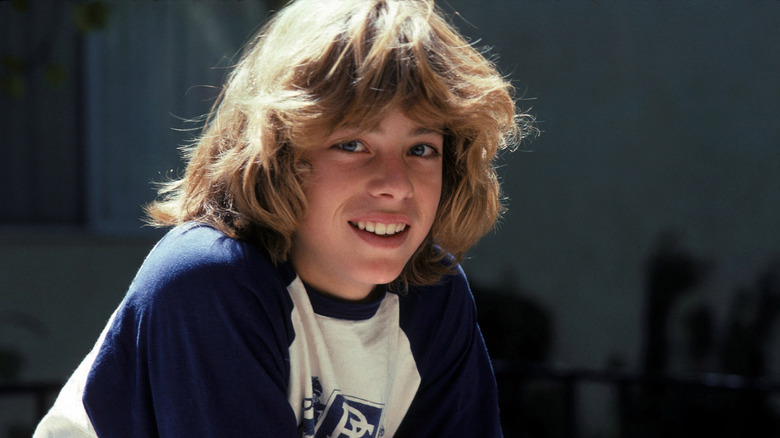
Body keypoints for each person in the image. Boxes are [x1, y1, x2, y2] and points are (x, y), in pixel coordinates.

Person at [35, 0, 535, 436]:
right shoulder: (208, 280)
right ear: (276, 153)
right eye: (352, 144)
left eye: (421, 148)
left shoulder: (434, 295)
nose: (397, 183)